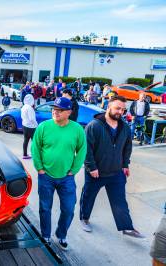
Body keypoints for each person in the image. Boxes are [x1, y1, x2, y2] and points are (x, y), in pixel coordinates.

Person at [80, 96, 145, 239]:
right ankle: (84, 218)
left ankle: (127, 227)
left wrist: (125, 165)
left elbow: (127, 147)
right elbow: (86, 149)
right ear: (108, 107)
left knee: (119, 200)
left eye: (123, 109)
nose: (120, 112)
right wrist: (92, 168)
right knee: (88, 196)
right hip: (96, 172)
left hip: (116, 172)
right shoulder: (94, 125)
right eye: (117, 108)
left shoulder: (125, 127)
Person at [32, 97, 87, 250]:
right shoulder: (43, 127)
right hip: (46, 176)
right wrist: (40, 169)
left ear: (69, 112)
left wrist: (73, 170)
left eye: (60, 110)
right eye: (54, 109)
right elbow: (35, 148)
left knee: (69, 209)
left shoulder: (77, 129)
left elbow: (82, 151)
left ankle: (61, 234)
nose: (55, 112)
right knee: (45, 207)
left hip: (66, 178)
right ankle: (46, 235)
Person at [21, 95, 38, 159]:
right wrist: (37, 125)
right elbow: (32, 119)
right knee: (34, 141)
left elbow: (22, 117)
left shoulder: (24, 107)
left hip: (24, 125)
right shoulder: (30, 108)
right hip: (31, 127)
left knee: (26, 140)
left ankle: (24, 154)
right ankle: (34, 155)